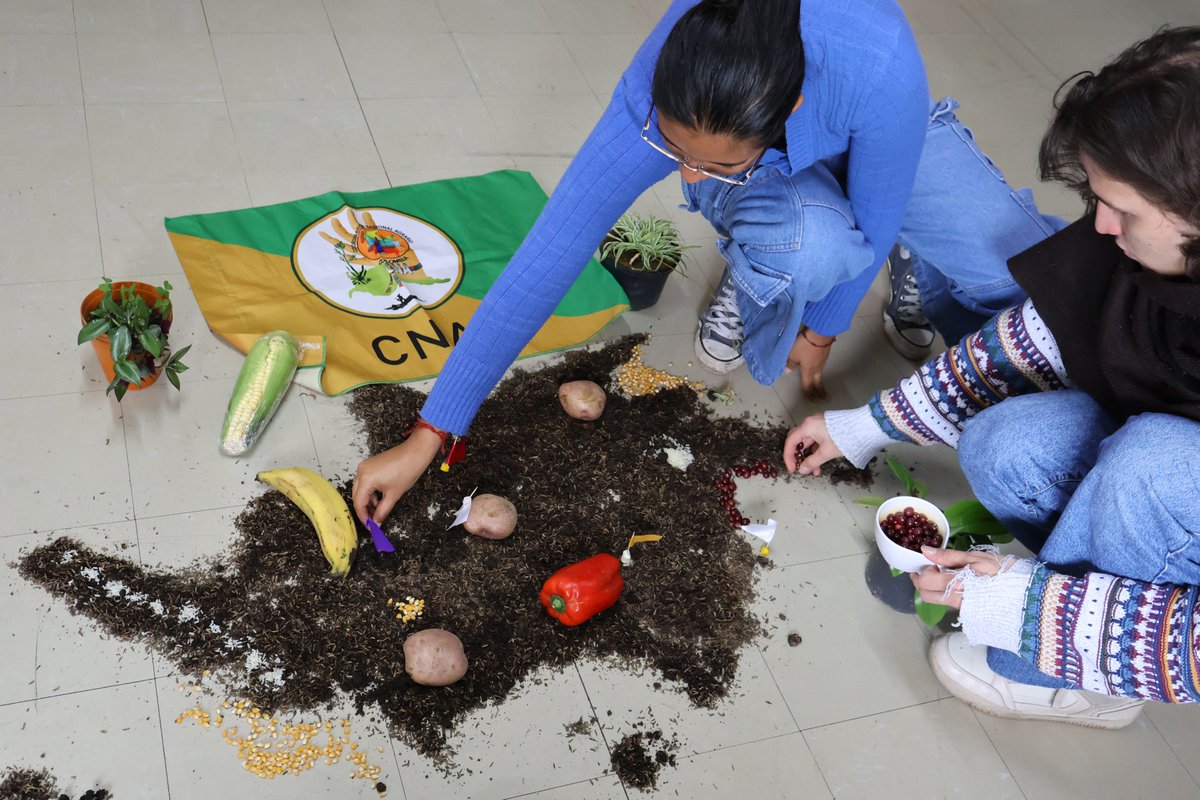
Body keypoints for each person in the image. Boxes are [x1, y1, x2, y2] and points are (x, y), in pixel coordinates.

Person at [352, 0, 1059, 525]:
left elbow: (875, 215)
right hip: (785, 171)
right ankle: (762, 262)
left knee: (1023, 274)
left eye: (711, 164)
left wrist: (823, 330)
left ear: (790, 108)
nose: (688, 178)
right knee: (807, 249)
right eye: (675, 154)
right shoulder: (665, 88)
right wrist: (431, 430)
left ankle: (920, 265)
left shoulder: (880, 64)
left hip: (886, 129)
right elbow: (549, 254)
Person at [784, 26, 1200, 727]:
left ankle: (1082, 683)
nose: (1098, 226)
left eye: (1121, 209)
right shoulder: (1148, 255)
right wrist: (861, 428)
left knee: (1152, 464)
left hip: (1168, 480)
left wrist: (1033, 609)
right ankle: (1082, 609)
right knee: (1007, 441)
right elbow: (1030, 342)